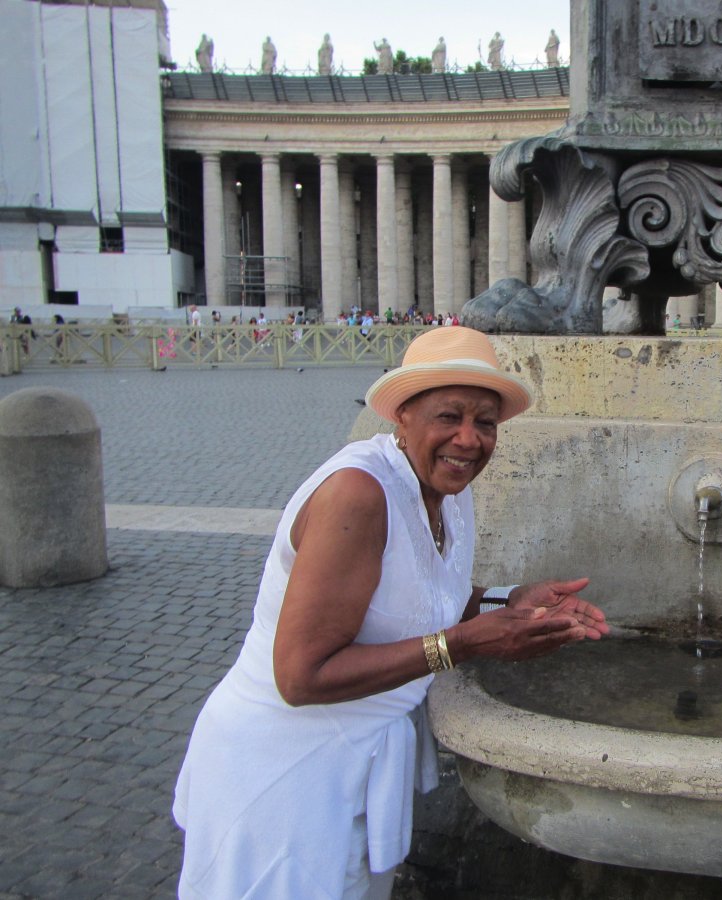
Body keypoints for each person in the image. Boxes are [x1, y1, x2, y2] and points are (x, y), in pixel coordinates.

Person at [173, 327, 607, 899]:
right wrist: (464, 644)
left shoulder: (446, 484)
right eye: (448, 416)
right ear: (401, 415)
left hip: (350, 765)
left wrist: (510, 597)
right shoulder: (358, 493)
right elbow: (300, 677)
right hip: (285, 775)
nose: (469, 440)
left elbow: (422, 592)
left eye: (485, 423)